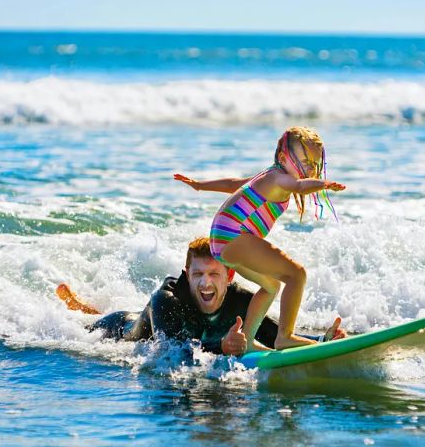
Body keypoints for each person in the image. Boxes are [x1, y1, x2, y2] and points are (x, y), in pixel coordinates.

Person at [173, 126, 345, 352]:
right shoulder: (280, 178)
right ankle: (285, 337)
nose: (309, 169)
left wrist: (199, 185)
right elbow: (300, 186)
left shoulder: (267, 176)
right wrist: (323, 184)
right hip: (234, 235)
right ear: (283, 157)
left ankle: (248, 341)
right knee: (297, 275)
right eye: (303, 162)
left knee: (271, 286)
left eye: (313, 164)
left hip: (223, 241)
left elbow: (233, 184)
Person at [57, 237, 346, 356]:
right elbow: (172, 350)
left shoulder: (240, 300)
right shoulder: (167, 299)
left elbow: (272, 334)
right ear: (187, 272)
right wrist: (222, 345)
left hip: (199, 334)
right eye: (197, 275)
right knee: (82, 327)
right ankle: (78, 307)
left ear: (229, 275)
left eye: (214, 274)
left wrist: (321, 340)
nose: (205, 283)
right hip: (122, 330)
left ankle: (81, 305)